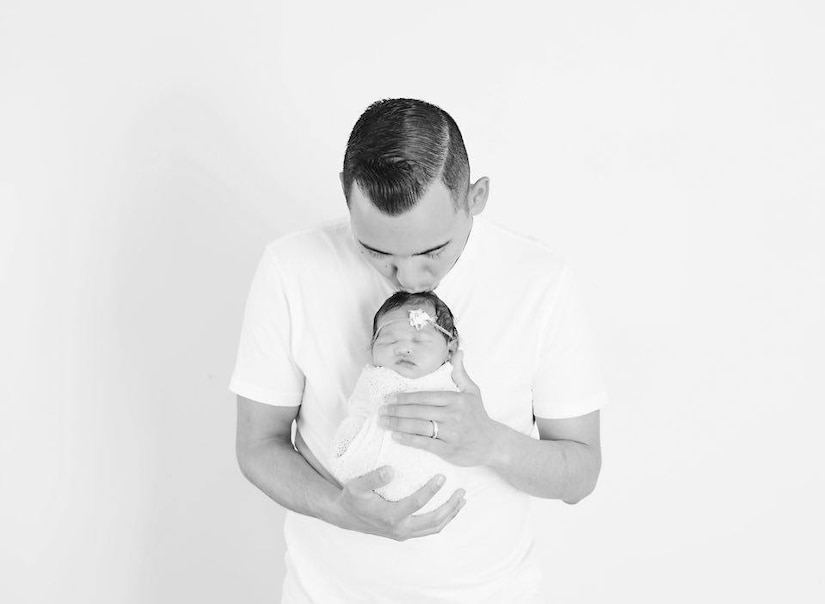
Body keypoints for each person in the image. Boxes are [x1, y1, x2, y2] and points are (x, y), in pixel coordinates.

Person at [231, 98, 607, 603]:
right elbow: (258, 445)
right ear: (347, 198)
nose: (408, 278)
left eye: (432, 252)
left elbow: (580, 476)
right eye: (378, 253)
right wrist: (338, 508)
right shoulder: (290, 269)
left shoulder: (540, 282)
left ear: (476, 197)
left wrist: (491, 441)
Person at [329, 291, 466, 515]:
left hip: (432, 479)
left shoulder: (448, 382)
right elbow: (358, 411)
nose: (403, 348)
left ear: (450, 349)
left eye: (419, 340)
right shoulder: (375, 380)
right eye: (389, 340)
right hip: (369, 474)